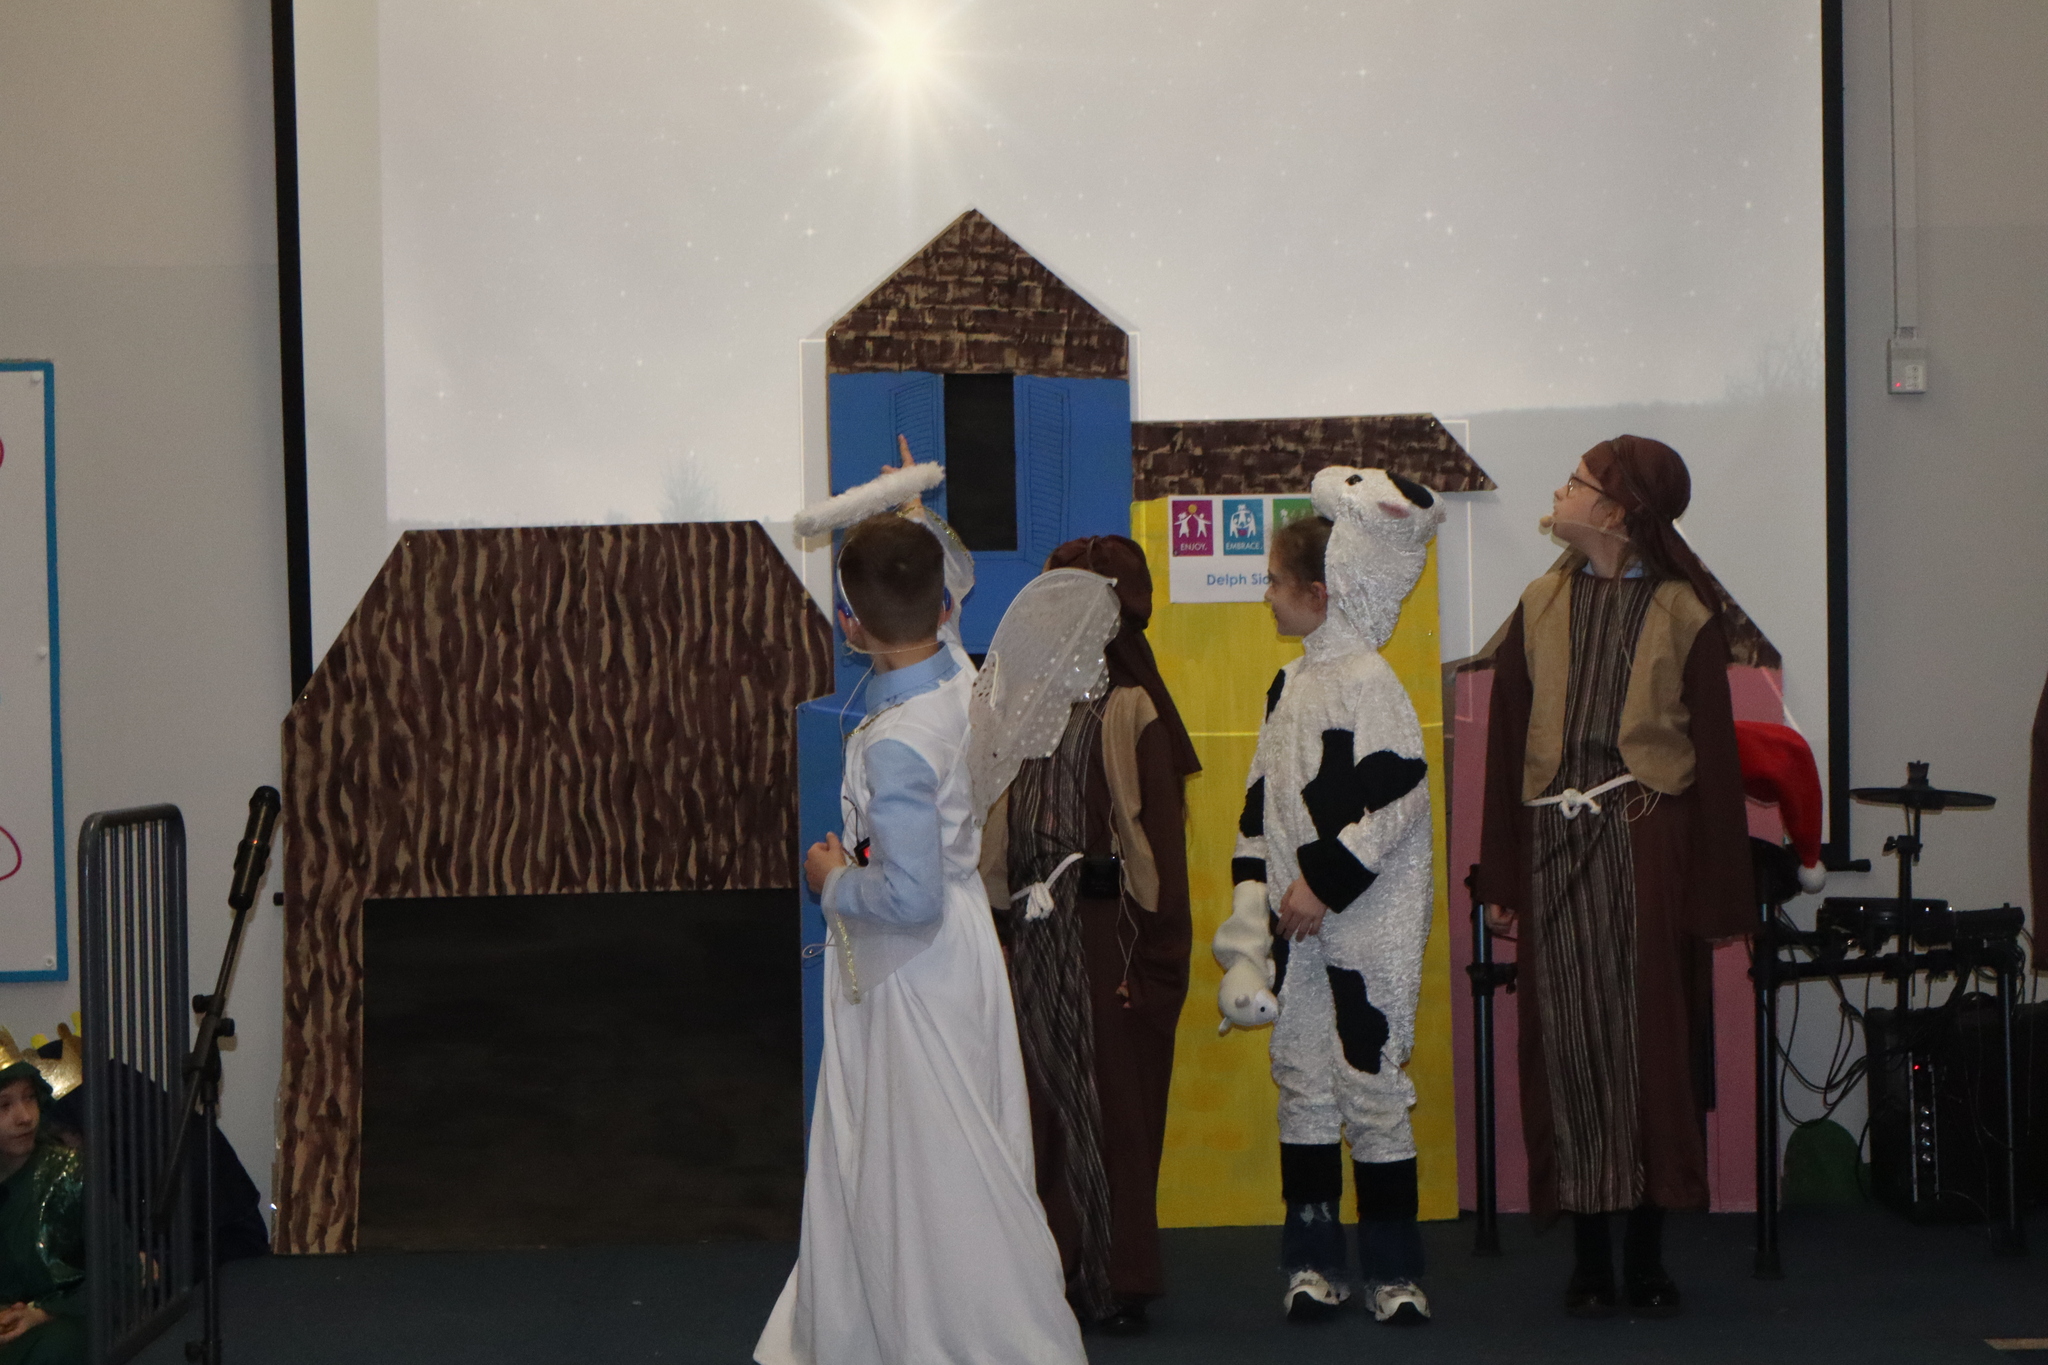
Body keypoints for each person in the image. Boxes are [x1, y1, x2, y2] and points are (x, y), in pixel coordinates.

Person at [755, 513, 1084, 1365]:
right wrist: (921, 517)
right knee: (959, 1145)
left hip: (912, 968)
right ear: (943, 609)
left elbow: (906, 895)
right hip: (961, 947)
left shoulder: (899, 741)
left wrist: (832, 879)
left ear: (848, 624)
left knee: (921, 1159)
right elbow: (950, 579)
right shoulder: (965, 676)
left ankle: (952, 1334)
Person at [1474, 435, 1753, 1318]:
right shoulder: (1538, 605)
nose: (1559, 492)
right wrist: (1502, 877)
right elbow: (1507, 750)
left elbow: (1714, 759)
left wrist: (1716, 891)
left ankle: (1647, 1254)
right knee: (1568, 1043)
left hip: (1647, 848)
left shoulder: (1684, 613)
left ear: (1616, 509)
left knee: (1649, 1045)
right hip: (1555, 847)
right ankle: (1589, 1256)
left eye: (1576, 482)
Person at [1210, 468, 1445, 1326]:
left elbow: (1399, 793)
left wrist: (1321, 883)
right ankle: (1312, 1263)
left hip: (1363, 924)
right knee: (1304, 1084)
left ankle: (1395, 1273)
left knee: (1370, 1085)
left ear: (1321, 590)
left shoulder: (1369, 681)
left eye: (1276, 581)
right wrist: (1254, 907)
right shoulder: (1289, 684)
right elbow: (1259, 803)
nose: (1266, 595)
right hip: (1298, 926)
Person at [980, 536, 1198, 1335]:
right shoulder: (1020, 710)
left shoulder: (1131, 711)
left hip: (1111, 939)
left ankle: (1118, 1277)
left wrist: (1155, 958)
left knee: (1112, 1110)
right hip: (1035, 937)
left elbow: (1161, 852)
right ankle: (1050, 1271)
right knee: (1040, 1105)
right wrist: (998, 927)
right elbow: (993, 829)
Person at [0, 1036, 82, 1365]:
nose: (24, 1117)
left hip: (62, 1322)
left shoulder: (70, 1173)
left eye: (30, 1098)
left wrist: (42, 1313)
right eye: (4, 1106)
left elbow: (121, 1274)